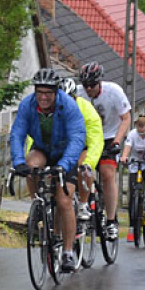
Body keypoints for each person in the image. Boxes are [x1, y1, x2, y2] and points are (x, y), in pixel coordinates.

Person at [10, 68, 85, 272]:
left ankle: (68, 252)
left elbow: (78, 136)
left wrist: (65, 164)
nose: (43, 97)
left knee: (63, 200)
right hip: (43, 148)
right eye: (39, 92)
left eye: (48, 93)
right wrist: (18, 162)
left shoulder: (68, 105)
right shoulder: (28, 104)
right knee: (31, 166)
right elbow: (17, 134)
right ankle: (39, 204)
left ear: (56, 92)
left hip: (65, 153)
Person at [77, 62, 131, 239]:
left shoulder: (114, 91)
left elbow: (126, 118)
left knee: (108, 175)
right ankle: (83, 204)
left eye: (92, 85)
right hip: (89, 137)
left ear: (100, 82)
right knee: (83, 167)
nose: (89, 89)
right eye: (85, 85)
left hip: (108, 137)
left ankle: (110, 220)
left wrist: (117, 141)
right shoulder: (78, 93)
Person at [60, 78, 103, 222]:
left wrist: (89, 162)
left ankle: (83, 204)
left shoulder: (86, 109)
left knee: (83, 167)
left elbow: (96, 139)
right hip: (61, 148)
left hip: (82, 146)